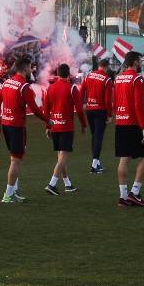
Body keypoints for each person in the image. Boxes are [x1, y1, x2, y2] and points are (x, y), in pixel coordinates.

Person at [0, 56, 46, 203]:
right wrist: (48, 120)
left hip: (7, 125)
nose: (31, 69)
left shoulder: (7, 83)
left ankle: (14, 191)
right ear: (24, 68)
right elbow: (34, 109)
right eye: (30, 67)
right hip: (16, 127)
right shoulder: (24, 87)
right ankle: (7, 195)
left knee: (14, 158)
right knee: (16, 160)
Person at [113, 51, 144, 209]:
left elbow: (114, 101)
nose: (141, 63)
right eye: (140, 60)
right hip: (133, 123)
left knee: (124, 158)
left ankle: (123, 197)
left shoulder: (118, 78)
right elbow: (138, 105)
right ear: (135, 62)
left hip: (120, 122)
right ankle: (134, 193)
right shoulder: (137, 78)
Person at [42, 64, 87, 195]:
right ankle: (52, 184)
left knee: (61, 157)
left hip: (54, 126)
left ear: (57, 74)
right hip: (66, 126)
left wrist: (48, 126)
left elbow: (46, 109)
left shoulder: (50, 88)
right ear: (68, 74)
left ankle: (67, 184)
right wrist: (84, 124)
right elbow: (79, 109)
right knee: (64, 157)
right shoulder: (72, 88)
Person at [83, 58, 114, 174]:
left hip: (89, 110)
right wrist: (109, 115)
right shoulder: (107, 80)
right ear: (106, 67)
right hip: (100, 111)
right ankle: (94, 164)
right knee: (98, 137)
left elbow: (82, 91)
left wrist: (83, 103)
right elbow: (107, 100)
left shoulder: (89, 76)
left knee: (94, 136)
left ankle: (96, 162)